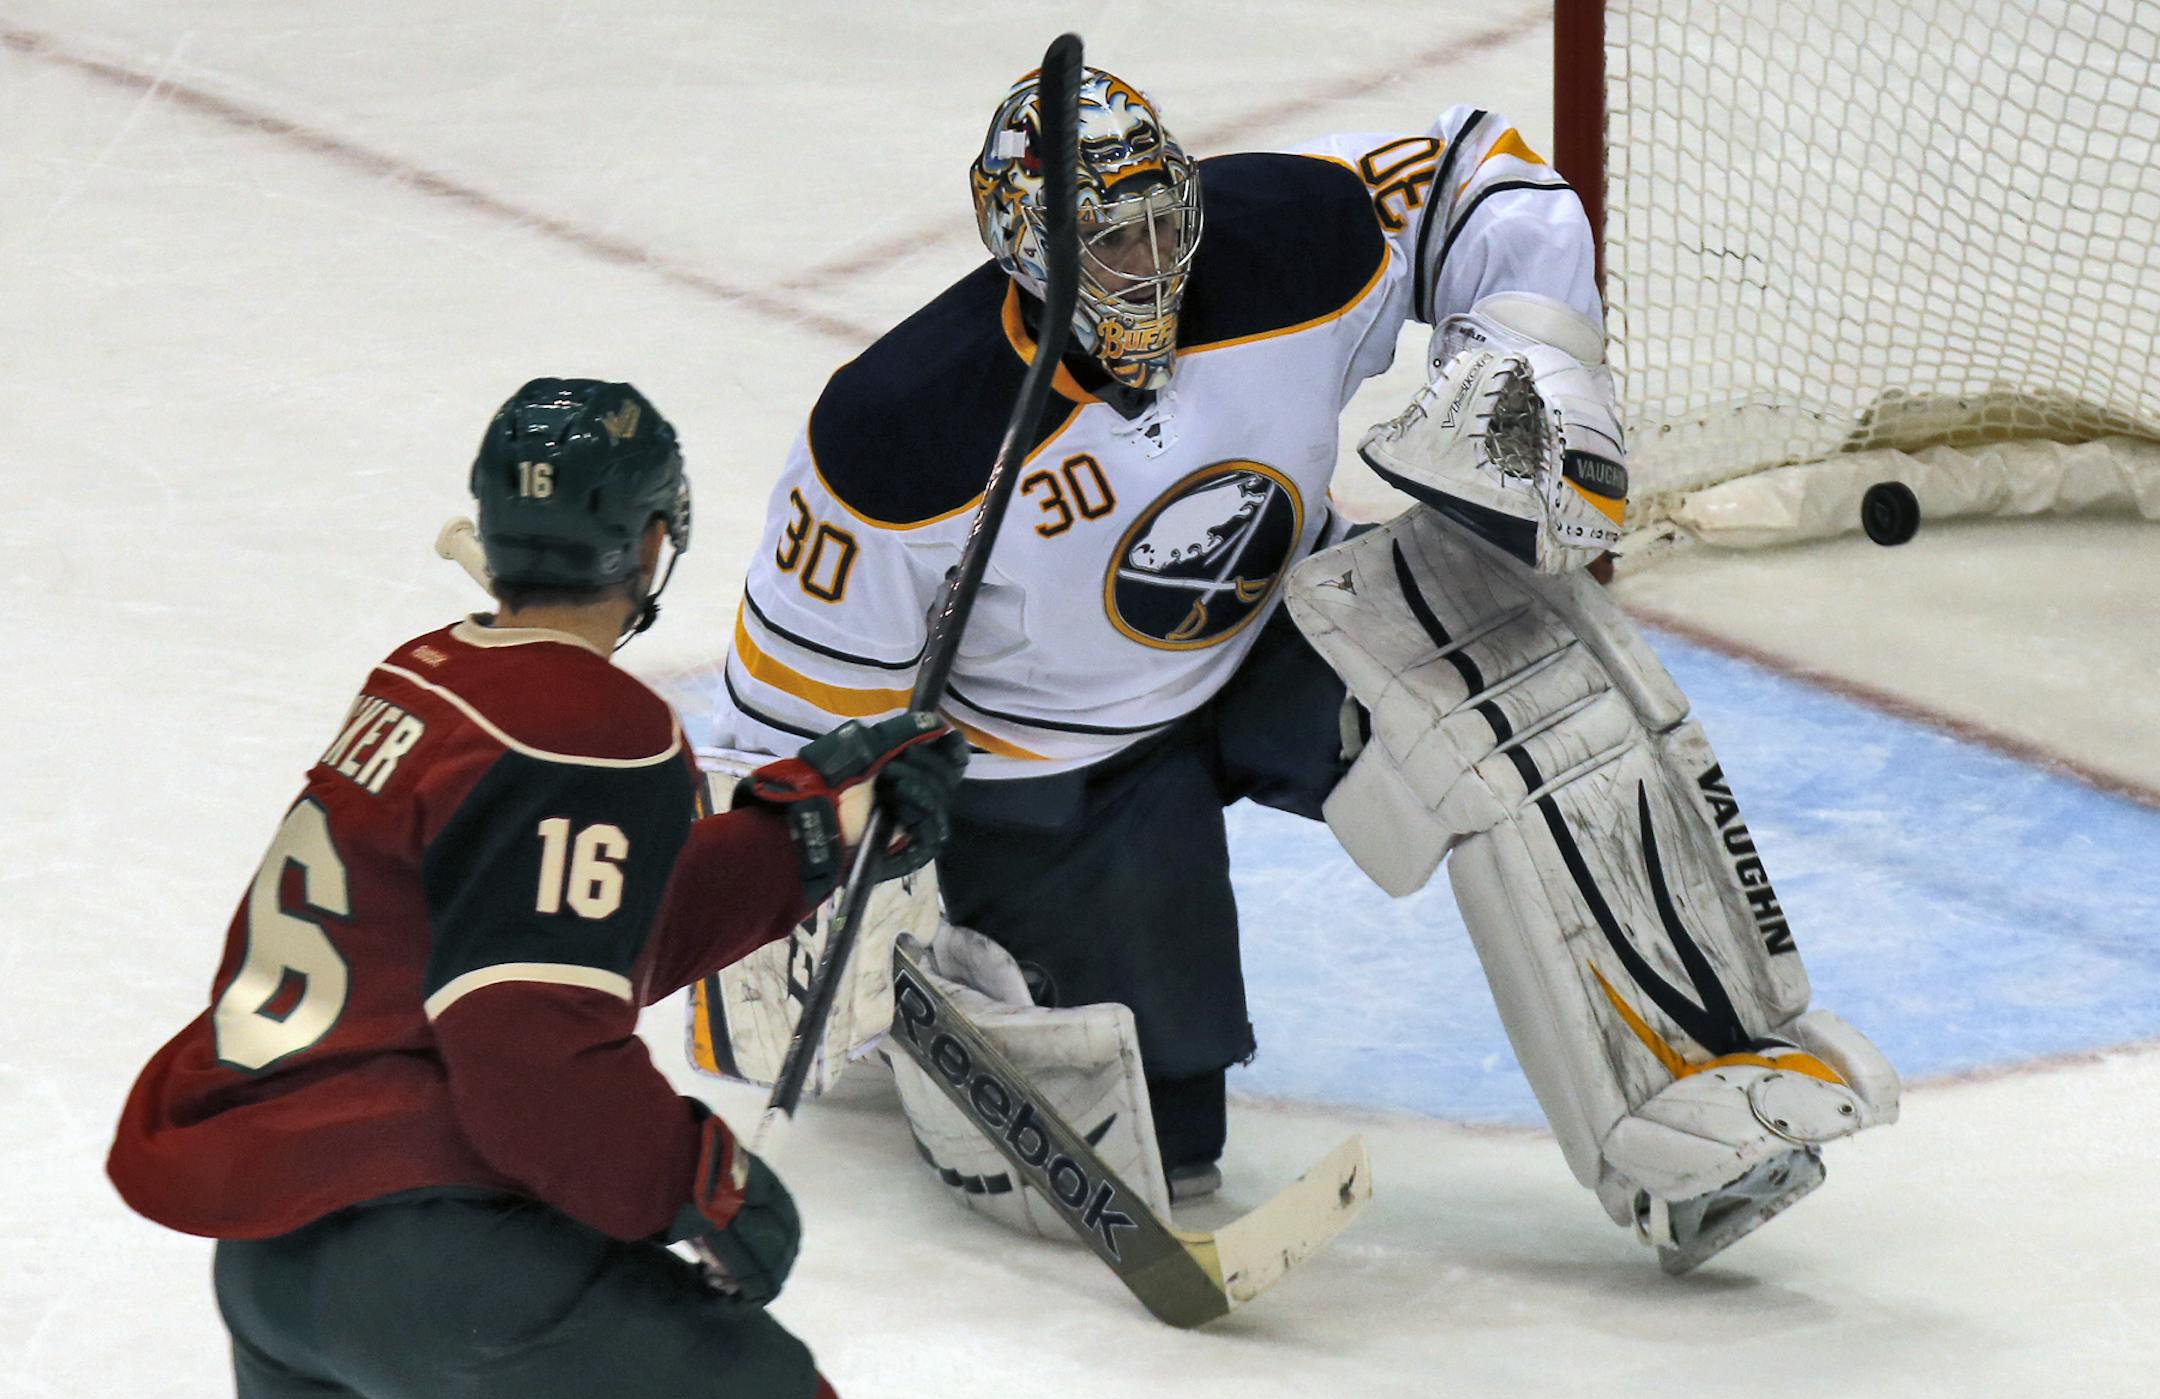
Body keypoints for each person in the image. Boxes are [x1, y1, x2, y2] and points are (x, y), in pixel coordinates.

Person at [700, 66, 1899, 1269]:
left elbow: (1475, 174)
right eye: (1111, 243)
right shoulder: (901, 436)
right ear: (1023, 243)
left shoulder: (1287, 238)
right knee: (1160, 1146)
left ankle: (1689, 1089)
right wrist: (814, 888)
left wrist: (1526, 349)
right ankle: (960, 969)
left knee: (1533, 701)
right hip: (1051, 766)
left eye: (1165, 221)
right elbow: (790, 720)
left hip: (1290, 627)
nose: (1153, 266)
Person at [107, 378, 968, 1399]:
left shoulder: (427, 680)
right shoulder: (589, 727)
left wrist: (807, 833)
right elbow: (528, 1046)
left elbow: (548, 948)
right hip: (437, 1260)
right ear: (653, 541)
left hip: (274, 1265)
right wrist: (694, 1179)